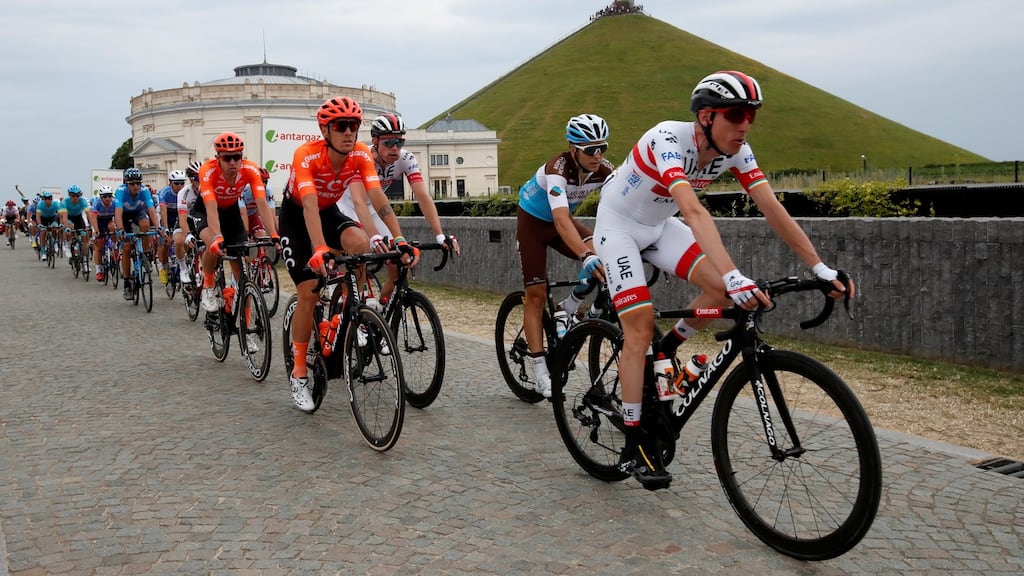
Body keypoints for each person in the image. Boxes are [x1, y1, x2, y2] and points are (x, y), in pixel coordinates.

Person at [594, 70, 854, 488]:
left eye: (752, 115)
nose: (745, 125)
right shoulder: (667, 139)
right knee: (638, 327)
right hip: (619, 227)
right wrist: (735, 276)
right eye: (736, 115)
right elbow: (695, 213)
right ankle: (633, 442)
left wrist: (820, 268)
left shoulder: (737, 149)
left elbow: (772, 208)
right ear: (707, 117)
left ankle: (669, 346)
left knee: (718, 293)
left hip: (659, 226)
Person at [280, 96, 418, 413]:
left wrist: (398, 238)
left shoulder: (358, 155)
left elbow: (377, 199)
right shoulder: (307, 155)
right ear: (325, 130)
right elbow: (310, 205)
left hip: (328, 213)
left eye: (354, 126)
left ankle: (350, 304)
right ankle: (299, 371)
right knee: (308, 293)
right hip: (297, 217)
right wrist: (319, 250)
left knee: (360, 243)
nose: (348, 132)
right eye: (341, 126)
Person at [515, 113, 614, 398]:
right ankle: (540, 370)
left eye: (602, 148)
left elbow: (623, 202)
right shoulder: (557, 170)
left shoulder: (604, 169)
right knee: (535, 294)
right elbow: (560, 220)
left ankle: (567, 308)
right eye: (590, 150)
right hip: (534, 225)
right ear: (573, 149)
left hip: (562, 221)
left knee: (604, 257)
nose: (598, 155)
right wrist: (584, 254)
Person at [336, 113, 460, 303]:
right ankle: (350, 310)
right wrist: (373, 236)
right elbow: (359, 202)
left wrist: (440, 234)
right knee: (358, 259)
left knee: (398, 262)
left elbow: (423, 196)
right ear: (375, 141)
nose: (395, 148)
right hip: (348, 207)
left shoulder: (406, 158)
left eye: (399, 142)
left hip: (373, 208)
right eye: (389, 142)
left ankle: (380, 312)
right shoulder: (362, 157)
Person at [192, 132, 279, 319]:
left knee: (243, 276)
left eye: (237, 157)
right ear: (218, 159)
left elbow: (261, 203)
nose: (233, 162)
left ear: (242, 157)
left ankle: (246, 329)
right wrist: (218, 237)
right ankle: (208, 285)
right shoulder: (208, 171)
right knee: (212, 244)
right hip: (206, 212)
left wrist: (274, 234)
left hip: (231, 213)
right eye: (227, 158)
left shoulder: (250, 169)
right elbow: (211, 208)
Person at [113, 168, 162, 298]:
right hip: (124, 216)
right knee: (127, 248)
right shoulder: (120, 191)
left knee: (145, 226)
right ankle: (127, 282)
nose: (136, 186)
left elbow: (151, 210)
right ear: (126, 183)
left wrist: (158, 227)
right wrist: (120, 229)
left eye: (138, 183)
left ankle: (144, 254)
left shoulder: (145, 191)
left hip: (138, 214)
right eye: (132, 183)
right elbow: (118, 212)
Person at [171, 160, 202, 283]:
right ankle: (183, 267)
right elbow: (182, 218)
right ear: (191, 180)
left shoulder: (209, 190)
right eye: (197, 178)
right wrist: (188, 234)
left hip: (201, 220)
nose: (201, 181)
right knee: (179, 241)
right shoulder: (184, 193)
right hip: (187, 220)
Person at [157, 170, 188, 284]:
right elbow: (163, 211)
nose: (180, 186)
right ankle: (163, 266)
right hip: (165, 215)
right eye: (177, 183)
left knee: (184, 239)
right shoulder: (164, 193)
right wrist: (165, 228)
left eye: (182, 183)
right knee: (166, 241)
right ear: (170, 183)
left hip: (179, 215)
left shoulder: (185, 192)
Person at [89, 186, 117, 281]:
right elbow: (93, 218)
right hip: (99, 222)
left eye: (109, 196)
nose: (107, 198)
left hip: (109, 221)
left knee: (113, 228)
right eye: (105, 196)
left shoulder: (115, 203)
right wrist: (96, 230)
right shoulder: (97, 204)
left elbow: (118, 217)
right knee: (99, 246)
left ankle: (114, 246)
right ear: (101, 197)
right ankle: (99, 270)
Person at [60, 185, 91, 255]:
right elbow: (64, 216)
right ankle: (67, 245)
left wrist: (92, 227)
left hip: (78, 217)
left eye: (77, 196)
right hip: (69, 217)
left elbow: (88, 214)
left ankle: (84, 260)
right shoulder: (65, 201)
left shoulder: (83, 201)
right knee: (70, 228)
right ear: (69, 195)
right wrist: (67, 227)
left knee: (84, 235)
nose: (75, 197)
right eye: (73, 195)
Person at [35, 191, 61, 261]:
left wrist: (60, 223)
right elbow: (38, 216)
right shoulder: (40, 204)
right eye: (45, 199)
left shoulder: (56, 204)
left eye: (49, 198)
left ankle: (55, 242)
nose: (47, 200)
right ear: (43, 199)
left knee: (54, 228)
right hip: (43, 218)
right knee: (43, 232)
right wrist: (39, 224)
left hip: (53, 217)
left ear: (51, 199)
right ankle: (43, 252)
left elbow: (60, 214)